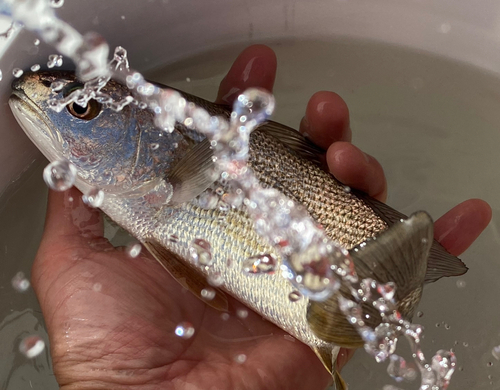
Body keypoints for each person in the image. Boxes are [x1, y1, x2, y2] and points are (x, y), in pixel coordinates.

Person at [31, 45, 492, 390]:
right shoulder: (139, 185)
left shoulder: (153, 175)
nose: (44, 101)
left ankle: (371, 288)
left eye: (82, 109)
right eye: (83, 107)